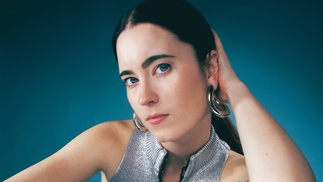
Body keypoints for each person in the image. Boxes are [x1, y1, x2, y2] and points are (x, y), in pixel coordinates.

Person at [5, 0, 315, 181]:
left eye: (162, 67)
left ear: (209, 68)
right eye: (131, 79)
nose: (144, 97)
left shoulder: (237, 173)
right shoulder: (110, 143)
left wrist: (234, 88)